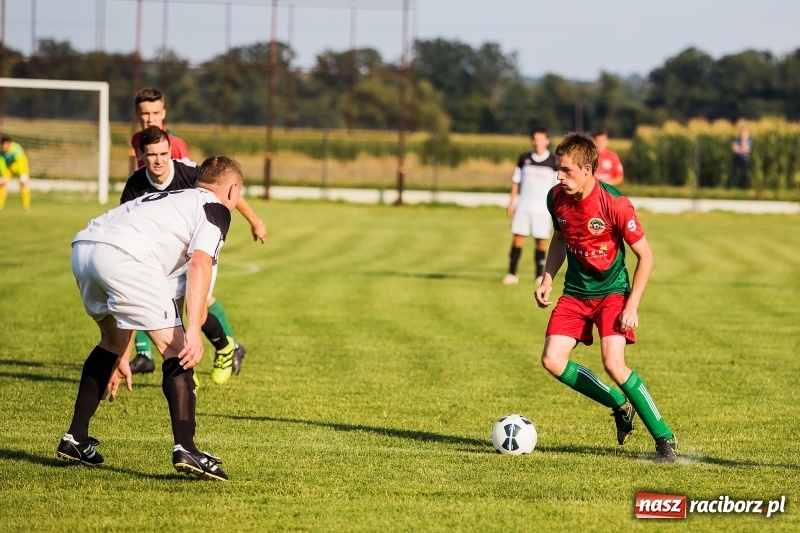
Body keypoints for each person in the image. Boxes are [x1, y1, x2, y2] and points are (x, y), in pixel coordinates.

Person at [58, 154, 246, 480]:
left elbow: (150, 295)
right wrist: (193, 333)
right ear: (232, 190)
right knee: (177, 350)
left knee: (111, 342)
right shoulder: (215, 208)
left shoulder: (178, 198)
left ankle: (75, 438)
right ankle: (186, 447)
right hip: (123, 254)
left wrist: (124, 351)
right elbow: (200, 264)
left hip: (85, 247)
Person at [534, 132, 678, 463]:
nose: (559, 176)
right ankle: (617, 403)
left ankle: (665, 440)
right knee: (552, 360)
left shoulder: (614, 203)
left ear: (588, 170)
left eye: (566, 170)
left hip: (612, 292)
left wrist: (632, 306)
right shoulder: (555, 197)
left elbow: (647, 257)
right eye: (558, 169)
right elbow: (559, 238)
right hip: (575, 293)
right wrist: (546, 278)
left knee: (613, 363)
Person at [126, 88, 260, 382]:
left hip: (195, 234)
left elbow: (216, 185)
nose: (150, 119)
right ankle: (161, 360)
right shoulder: (137, 147)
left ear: (164, 113)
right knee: (156, 299)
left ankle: (227, 346)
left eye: (155, 113)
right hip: (167, 240)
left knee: (196, 307)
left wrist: (254, 219)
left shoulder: (176, 148)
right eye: (144, 114)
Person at [502, 127, 559, 286]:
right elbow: (516, 181)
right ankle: (512, 273)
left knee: (541, 242)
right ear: (532, 141)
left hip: (543, 210)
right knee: (517, 239)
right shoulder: (524, 158)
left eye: (541, 139)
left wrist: (556, 208)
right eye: (535, 139)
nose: (537, 142)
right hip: (524, 207)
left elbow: (557, 187)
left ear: (547, 141)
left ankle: (539, 276)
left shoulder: (554, 161)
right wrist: (512, 202)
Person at [0, 135, 32, 212]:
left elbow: (21, 161)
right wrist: (3, 174)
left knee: (22, 183)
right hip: (9, 169)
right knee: (1, 184)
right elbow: (1, 163)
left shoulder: (16, 149)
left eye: (6, 144)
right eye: (3, 145)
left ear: (9, 144)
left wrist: (21, 173)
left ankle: (26, 206)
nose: (4, 147)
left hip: (21, 167)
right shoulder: (1, 152)